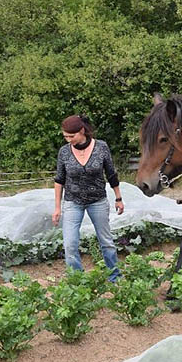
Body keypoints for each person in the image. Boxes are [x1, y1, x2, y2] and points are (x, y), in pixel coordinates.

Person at [52, 115, 123, 281]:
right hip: (72, 202)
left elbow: (111, 174)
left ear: (82, 131)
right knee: (69, 244)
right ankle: (78, 280)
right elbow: (59, 180)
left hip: (97, 200)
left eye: (71, 136)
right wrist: (57, 208)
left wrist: (118, 198)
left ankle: (114, 277)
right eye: (65, 136)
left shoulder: (101, 147)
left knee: (106, 241)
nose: (68, 140)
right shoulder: (64, 152)